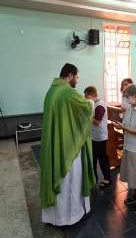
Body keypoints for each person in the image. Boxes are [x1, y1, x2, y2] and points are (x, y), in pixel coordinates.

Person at [40, 63, 95, 226]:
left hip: (54, 142)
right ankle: (70, 216)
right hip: (69, 146)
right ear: (70, 75)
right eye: (77, 77)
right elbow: (86, 107)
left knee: (59, 180)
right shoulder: (68, 92)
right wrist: (91, 102)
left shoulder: (51, 91)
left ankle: (53, 217)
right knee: (71, 181)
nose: (77, 81)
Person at [113, 85, 136, 215]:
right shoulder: (129, 108)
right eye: (125, 97)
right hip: (129, 146)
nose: (126, 100)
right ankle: (134, 196)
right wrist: (121, 126)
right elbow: (127, 125)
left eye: (128, 97)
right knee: (131, 173)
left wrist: (125, 128)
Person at [84, 86, 111, 188]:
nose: (85, 98)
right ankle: (93, 178)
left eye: (86, 96)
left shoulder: (100, 105)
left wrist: (87, 116)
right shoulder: (94, 104)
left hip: (100, 137)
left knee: (102, 159)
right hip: (94, 136)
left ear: (91, 95)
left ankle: (107, 178)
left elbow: (97, 122)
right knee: (93, 158)